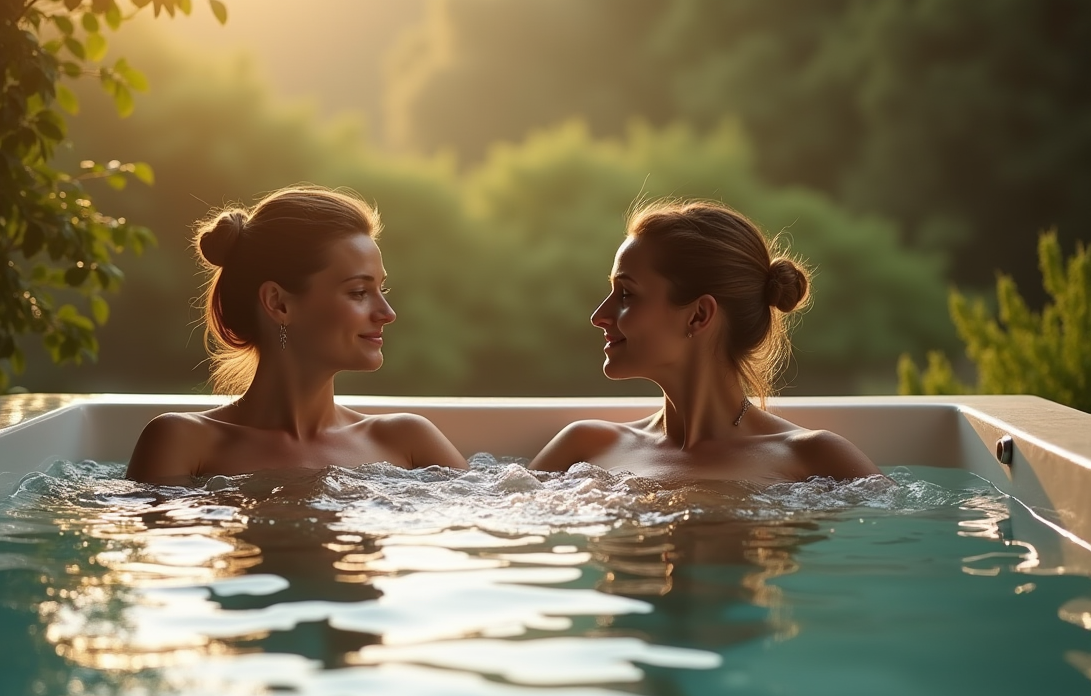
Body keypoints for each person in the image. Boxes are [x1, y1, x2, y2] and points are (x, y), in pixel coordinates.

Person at [126, 185, 468, 483]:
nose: (387, 314)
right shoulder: (182, 442)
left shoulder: (407, 439)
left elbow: (504, 513)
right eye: (359, 292)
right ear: (279, 304)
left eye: (381, 289)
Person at [529, 199, 881, 486]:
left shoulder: (814, 457)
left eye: (626, 294)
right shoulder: (584, 445)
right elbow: (488, 518)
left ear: (698, 315)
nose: (599, 315)